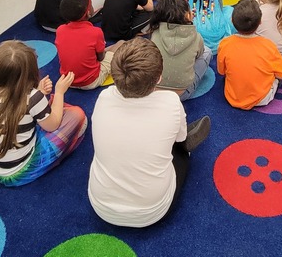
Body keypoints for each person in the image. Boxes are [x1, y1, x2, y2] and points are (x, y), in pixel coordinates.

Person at [88, 37, 212, 227]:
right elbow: (179, 139)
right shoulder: (170, 102)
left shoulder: (103, 97)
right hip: (152, 211)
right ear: (159, 77)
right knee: (180, 150)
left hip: (100, 205)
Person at [0, 40, 87, 186]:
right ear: (31, 72)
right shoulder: (33, 97)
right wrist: (59, 92)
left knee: (43, 109)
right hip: (14, 170)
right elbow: (52, 125)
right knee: (78, 116)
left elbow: (13, 106)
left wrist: (39, 92)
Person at [217, 0, 282, 110]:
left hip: (232, 96)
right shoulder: (268, 46)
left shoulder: (224, 44)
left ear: (232, 21)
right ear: (260, 22)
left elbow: (221, 71)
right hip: (262, 98)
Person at [149, 0, 210, 101]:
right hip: (182, 94)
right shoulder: (196, 37)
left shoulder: (155, 33)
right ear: (187, 15)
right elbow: (199, 55)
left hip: (155, 90)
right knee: (207, 52)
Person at [55, 0, 114, 90]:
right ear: (88, 12)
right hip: (90, 81)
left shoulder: (60, 30)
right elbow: (101, 58)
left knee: (105, 49)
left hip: (67, 81)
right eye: (91, 4)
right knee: (121, 45)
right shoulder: (95, 32)